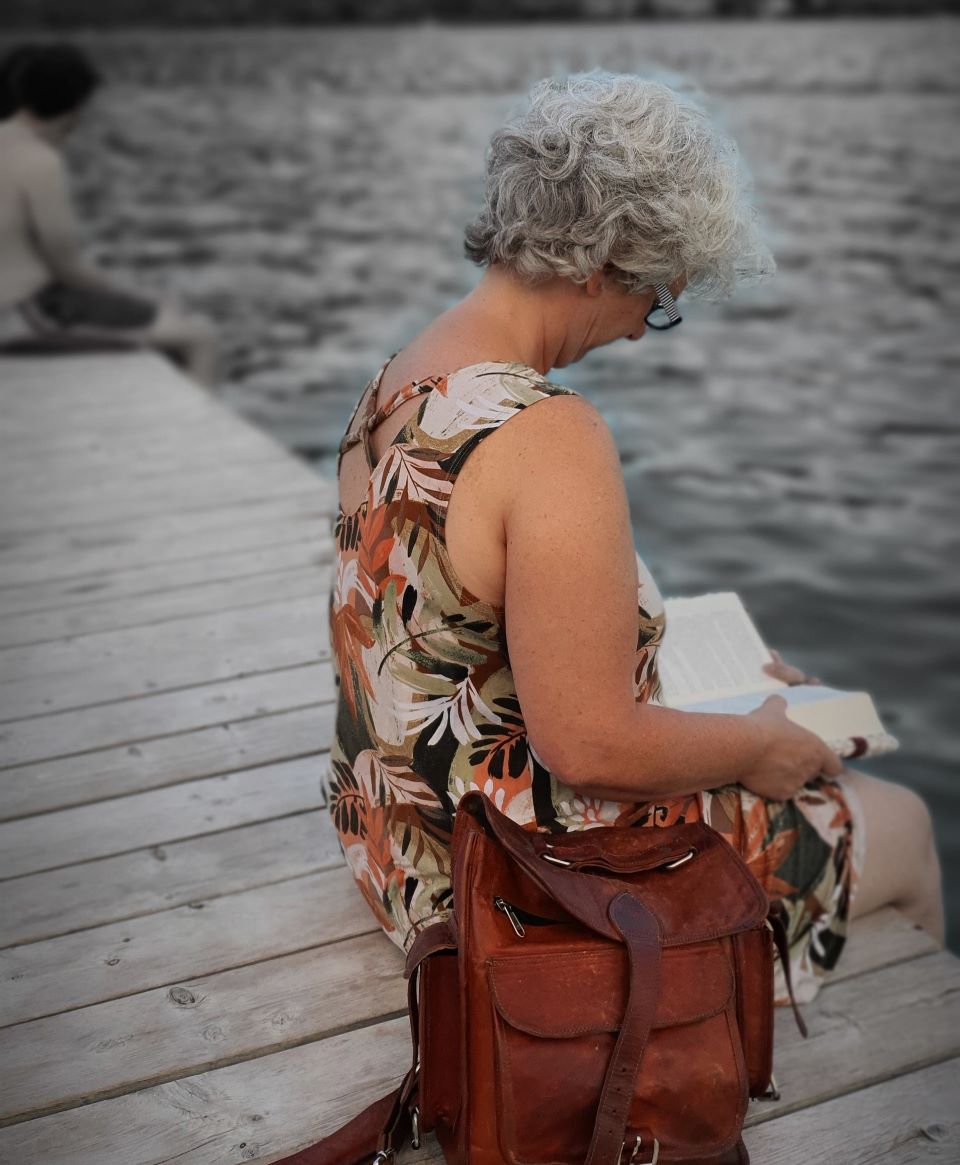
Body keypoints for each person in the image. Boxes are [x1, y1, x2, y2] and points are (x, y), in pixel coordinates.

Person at [326, 69, 945, 1009]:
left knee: (798, 748)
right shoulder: (546, 434)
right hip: (524, 892)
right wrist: (753, 746)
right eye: (655, 296)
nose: (642, 333)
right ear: (601, 258)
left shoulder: (396, 381)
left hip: (401, 849)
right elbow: (588, 744)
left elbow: (458, 623)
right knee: (900, 821)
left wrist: (691, 667)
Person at [0, 43, 218, 387]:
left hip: (18, 306)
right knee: (198, 341)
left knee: (156, 323)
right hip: (23, 313)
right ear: (75, 107)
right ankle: (197, 422)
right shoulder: (39, 158)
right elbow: (66, 266)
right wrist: (131, 296)